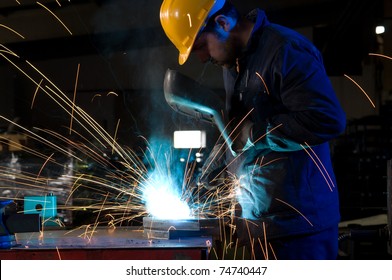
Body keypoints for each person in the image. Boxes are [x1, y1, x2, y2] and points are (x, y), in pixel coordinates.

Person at [160, 0, 346, 259]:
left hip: (299, 227)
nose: (202, 58)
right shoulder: (234, 63)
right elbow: (235, 129)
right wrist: (206, 177)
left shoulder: (285, 50)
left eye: (201, 46)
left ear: (223, 23)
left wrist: (255, 133)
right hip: (259, 223)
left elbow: (327, 119)